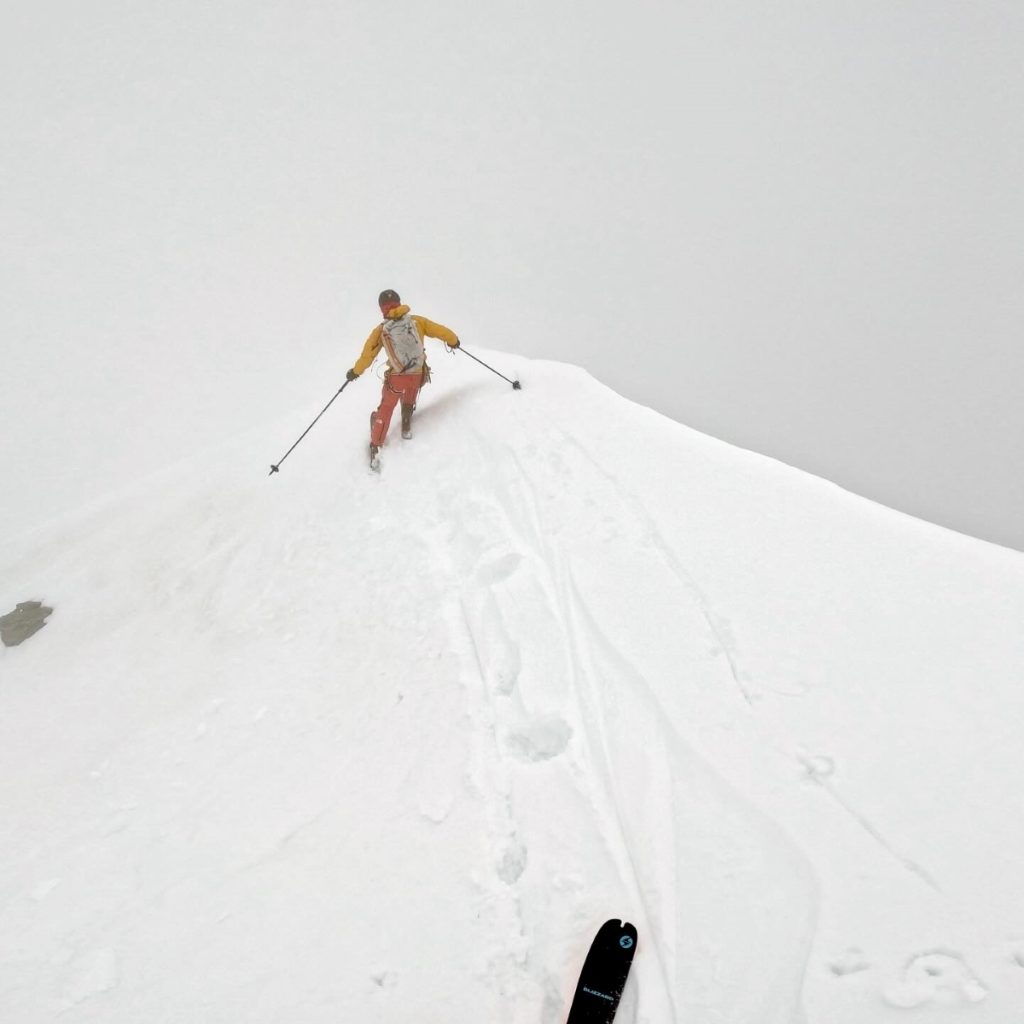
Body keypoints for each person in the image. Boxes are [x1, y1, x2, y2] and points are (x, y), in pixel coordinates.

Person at [345, 290, 460, 468]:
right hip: (417, 375)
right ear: (399, 303)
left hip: (397, 379)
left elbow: (367, 355)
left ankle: (376, 446)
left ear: (382, 309)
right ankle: (406, 419)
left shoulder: (381, 330)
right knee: (411, 385)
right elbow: (441, 331)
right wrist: (454, 341)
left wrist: (355, 372)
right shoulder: (417, 321)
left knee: (386, 408)